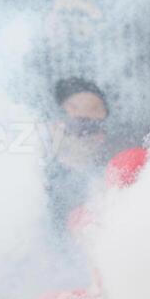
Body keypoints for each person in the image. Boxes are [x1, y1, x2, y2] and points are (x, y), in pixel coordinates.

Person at [45, 77, 110, 225]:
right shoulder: (38, 184)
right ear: (55, 125)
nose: (97, 137)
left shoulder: (106, 180)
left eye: (99, 125)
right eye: (83, 125)